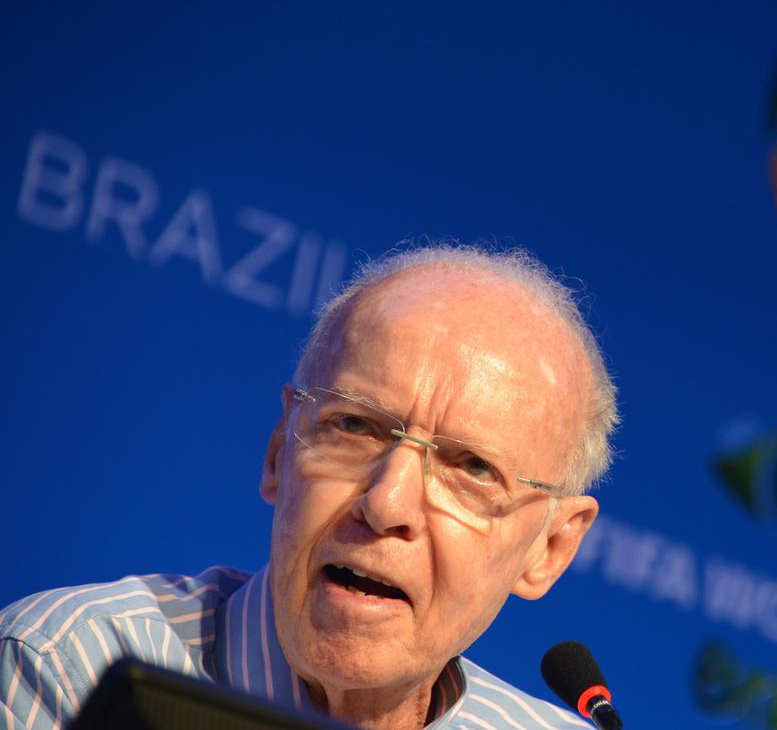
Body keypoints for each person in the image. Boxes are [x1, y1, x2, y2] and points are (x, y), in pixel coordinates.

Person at [0, 244, 619, 729]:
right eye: (355, 425)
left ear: (550, 549)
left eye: (471, 468)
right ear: (278, 451)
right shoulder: (68, 669)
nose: (386, 504)